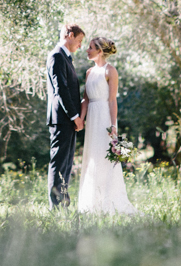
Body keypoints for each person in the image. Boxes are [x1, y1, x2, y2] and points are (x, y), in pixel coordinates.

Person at [77, 36, 138, 214]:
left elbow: (112, 100)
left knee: (105, 157)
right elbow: (85, 99)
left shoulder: (110, 71)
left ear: (100, 51)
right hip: (92, 119)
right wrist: (81, 119)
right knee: (91, 157)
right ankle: (91, 203)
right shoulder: (89, 72)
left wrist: (113, 126)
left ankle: (108, 202)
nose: (87, 50)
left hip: (104, 116)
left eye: (90, 48)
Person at [46, 24, 85, 208]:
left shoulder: (66, 58)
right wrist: (75, 116)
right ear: (69, 35)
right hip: (62, 119)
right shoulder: (57, 56)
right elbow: (60, 89)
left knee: (67, 165)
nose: (80, 46)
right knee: (59, 163)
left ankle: (63, 205)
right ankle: (55, 206)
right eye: (79, 41)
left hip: (68, 120)